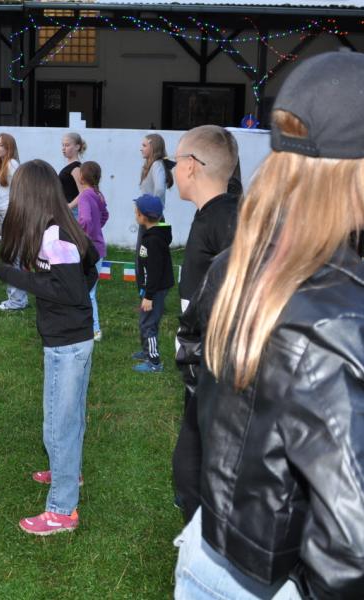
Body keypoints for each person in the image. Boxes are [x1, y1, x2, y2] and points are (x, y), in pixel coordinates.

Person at [174, 50, 364, 599]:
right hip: (281, 579)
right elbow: (351, 549)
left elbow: (193, 355)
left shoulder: (237, 265)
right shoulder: (338, 314)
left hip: (210, 548)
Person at [0, 159, 99, 535]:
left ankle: (62, 510)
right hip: (72, 338)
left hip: (67, 344)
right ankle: (66, 472)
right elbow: (90, 267)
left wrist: (18, 277)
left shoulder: (56, 235)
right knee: (68, 418)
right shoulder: (59, 229)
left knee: (58, 425)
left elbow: (70, 291)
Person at [171, 126, 240, 523]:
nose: (173, 170)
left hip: (218, 378)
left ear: (191, 166)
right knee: (188, 473)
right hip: (200, 371)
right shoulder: (211, 213)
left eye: (175, 161)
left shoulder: (227, 218)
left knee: (196, 476)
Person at [131, 194, 174, 373]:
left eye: (136, 211)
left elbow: (155, 271)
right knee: (145, 321)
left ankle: (154, 363)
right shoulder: (152, 234)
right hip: (150, 288)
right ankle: (147, 351)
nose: (135, 214)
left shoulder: (153, 240)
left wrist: (149, 295)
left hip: (155, 289)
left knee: (149, 324)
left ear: (142, 216)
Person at [0, 132, 27, 312]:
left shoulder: (12, 164)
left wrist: (14, 215)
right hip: (6, 214)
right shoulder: (4, 164)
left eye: (1, 145)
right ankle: (18, 298)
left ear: (9, 147)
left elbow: (22, 192)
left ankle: (16, 301)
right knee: (13, 257)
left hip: (11, 215)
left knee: (12, 257)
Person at [77, 161, 109, 341]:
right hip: (99, 248)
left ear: (82, 176)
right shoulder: (98, 194)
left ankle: (94, 330)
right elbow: (105, 215)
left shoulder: (84, 196)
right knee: (90, 291)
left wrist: (81, 235)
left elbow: (86, 220)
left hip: (88, 250)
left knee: (87, 292)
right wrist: (96, 229)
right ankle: (87, 327)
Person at [136, 133, 173, 275]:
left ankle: (148, 286)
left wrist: (151, 210)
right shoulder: (151, 166)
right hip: (149, 218)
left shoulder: (157, 165)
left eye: (144, 145)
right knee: (144, 255)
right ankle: (146, 286)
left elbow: (160, 189)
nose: (141, 148)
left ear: (153, 148)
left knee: (146, 256)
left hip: (151, 219)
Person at [59, 133, 85, 215]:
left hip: (73, 211)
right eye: (63, 145)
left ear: (77, 147)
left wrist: (69, 206)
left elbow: (83, 192)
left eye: (67, 145)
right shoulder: (71, 167)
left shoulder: (76, 168)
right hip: (69, 211)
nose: (63, 148)